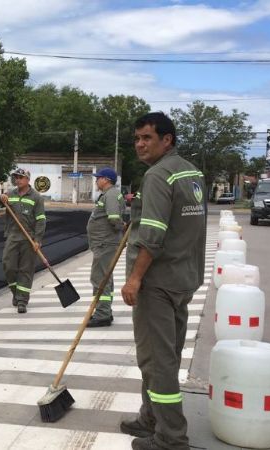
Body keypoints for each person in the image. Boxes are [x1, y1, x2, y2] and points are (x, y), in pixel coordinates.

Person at [120, 112, 206, 450]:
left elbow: (152, 236)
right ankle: (150, 418)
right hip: (184, 278)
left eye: (147, 138)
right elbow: (192, 227)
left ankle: (171, 437)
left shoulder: (158, 176)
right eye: (137, 138)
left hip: (157, 283)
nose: (140, 144)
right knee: (165, 353)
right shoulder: (192, 173)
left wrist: (134, 279)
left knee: (158, 361)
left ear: (166, 139)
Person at [0, 168, 46, 314]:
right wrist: (0, 199)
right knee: (8, 265)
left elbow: (41, 220)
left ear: (27, 179)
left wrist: (38, 239)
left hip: (29, 239)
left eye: (20, 177)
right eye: (16, 177)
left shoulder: (37, 197)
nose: (17, 180)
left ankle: (22, 300)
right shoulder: (10, 194)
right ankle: (16, 292)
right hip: (12, 236)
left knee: (26, 269)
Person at [86, 167, 125, 328]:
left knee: (100, 279)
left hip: (105, 243)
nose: (96, 180)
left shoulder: (111, 194)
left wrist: (121, 226)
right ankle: (105, 312)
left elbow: (114, 218)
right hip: (103, 243)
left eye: (98, 178)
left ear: (106, 180)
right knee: (105, 278)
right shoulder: (109, 194)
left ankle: (102, 315)